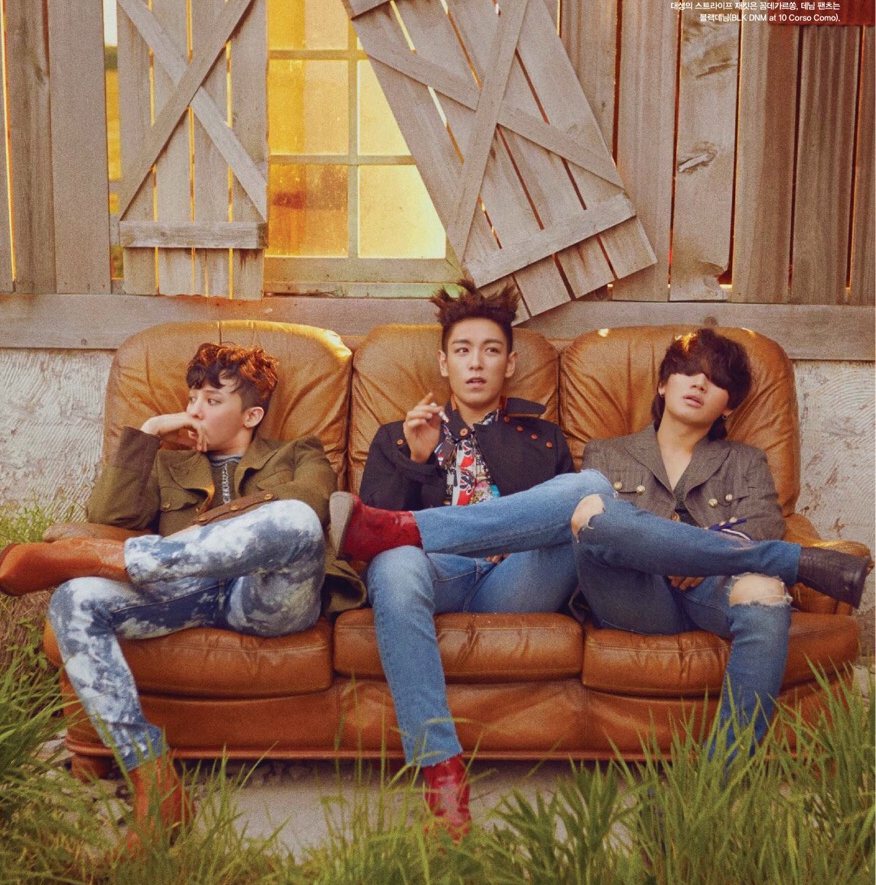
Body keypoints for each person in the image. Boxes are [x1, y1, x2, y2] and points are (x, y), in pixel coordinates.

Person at [332, 328, 872, 770]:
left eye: (717, 381)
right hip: (632, 590)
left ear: (730, 402)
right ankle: (790, 563)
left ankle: (717, 779)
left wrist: (697, 553)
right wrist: (418, 460)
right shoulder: (607, 454)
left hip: (698, 586)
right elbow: (600, 531)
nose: (700, 383)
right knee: (592, 503)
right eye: (689, 371)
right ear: (662, 384)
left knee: (761, 589)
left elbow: (765, 521)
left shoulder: (744, 460)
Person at [0, 342, 364, 852]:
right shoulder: (169, 465)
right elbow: (110, 516)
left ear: (251, 415)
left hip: (266, 597)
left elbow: (312, 506)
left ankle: (111, 559)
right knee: (72, 598)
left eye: (212, 400)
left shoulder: (297, 453)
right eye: (191, 398)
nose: (194, 410)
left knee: (294, 519)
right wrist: (147, 435)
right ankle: (155, 782)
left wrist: (200, 533)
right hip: (185, 593)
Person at [349, 281, 612, 837]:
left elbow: (566, 524)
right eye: (463, 350)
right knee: (393, 563)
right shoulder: (397, 435)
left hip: (516, 577)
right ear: (443, 362)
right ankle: (442, 772)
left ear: (509, 364)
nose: (476, 363)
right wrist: (416, 460)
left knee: (591, 488)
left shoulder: (542, 437)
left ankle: (419, 528)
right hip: (436, 573)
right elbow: (366, 537)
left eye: (491, 350)